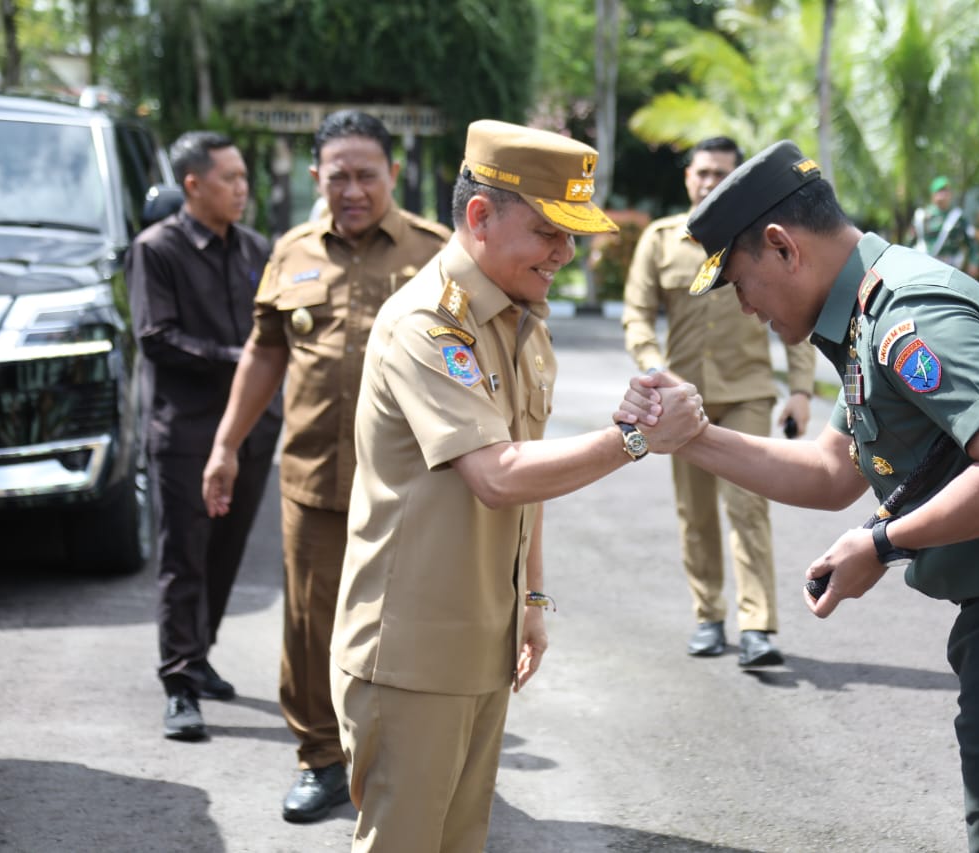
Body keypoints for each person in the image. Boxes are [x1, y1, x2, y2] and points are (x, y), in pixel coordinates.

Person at [619, 140, 979, 852]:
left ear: (782, 246)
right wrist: (691, 436)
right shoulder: (862, 314)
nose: (746, 308)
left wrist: (883, 542)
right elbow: (828, 471)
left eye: (740, 282)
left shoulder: (907, 311)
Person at [328, 119, 706, 853]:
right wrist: (633, 439)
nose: (565, 254)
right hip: (409, 654)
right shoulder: (427, 325)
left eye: (570, 235)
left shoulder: (518, 319)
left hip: (480, 643)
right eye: (546, 232)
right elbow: (497, 477)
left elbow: (526, 478)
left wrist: (530, 601)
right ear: (479, 217)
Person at [201, 110, 451, 823]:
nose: (351, 188)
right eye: (336, 175)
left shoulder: (437, 253)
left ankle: (407, 762)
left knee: (410, 625)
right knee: (311, 626)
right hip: (312, 476)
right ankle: (320, 758)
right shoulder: (291, 252)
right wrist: (225, 446)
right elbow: (264, 353)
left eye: (366, 174)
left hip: (411, 487)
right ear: (317, 177)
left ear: (393, 175)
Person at [621, 136, 815, 665]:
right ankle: (708, 616)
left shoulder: (755, 241)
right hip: (682, 401)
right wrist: (649, 363)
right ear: (688, 176)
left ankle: (757, 628)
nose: (709, 182)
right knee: (696, 514)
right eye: (702, 172)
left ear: (735, 179)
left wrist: (799, 390)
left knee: (748, 509)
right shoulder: (661, 241)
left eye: (720, 174)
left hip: (747, 395)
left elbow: (795, 314)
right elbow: (636, 311)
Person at [126, 131, 282, 742]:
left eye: (245, 178)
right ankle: (179, 683)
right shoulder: (156, 249)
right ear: (193, 184)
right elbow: (154, 337)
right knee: (183, 557)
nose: (242, 189)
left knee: (225, 553)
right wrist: (242, 359)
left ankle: (200, 654)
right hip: (188, 431)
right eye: (230, 179)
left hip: (251, 429)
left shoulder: (255, 248)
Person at [908, 175, 979, 276]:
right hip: (926, 268)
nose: (942, 195)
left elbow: (972, 242)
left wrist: (974, 262)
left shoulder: (958, 217)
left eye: (946, 191)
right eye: (939, 191)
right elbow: (909, 242)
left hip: (951, 268)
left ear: (950, 194)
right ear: (932, 195)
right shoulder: (922, 217)